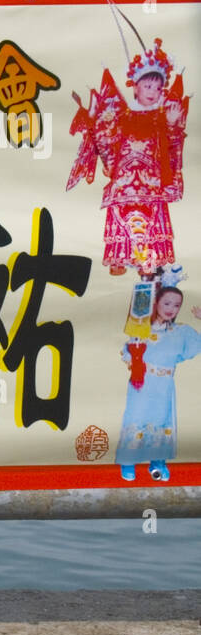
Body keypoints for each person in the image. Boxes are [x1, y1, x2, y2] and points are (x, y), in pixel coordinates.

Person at [67, 39, 188, 277]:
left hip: (152, 183)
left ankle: (149, 263)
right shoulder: (122, 113)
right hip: (123, 181)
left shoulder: (163, 116)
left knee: (150, 224)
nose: (153, 93)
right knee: (124, 221)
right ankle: (120, 259)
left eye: (157, 88)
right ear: (135, 87)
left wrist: (173, 125)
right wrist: (93, 118)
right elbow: (105, 137)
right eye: (148, 86)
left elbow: (172, 149)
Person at [116, 286, 201, 481]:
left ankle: (157, 463)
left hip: (164, 385)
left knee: (162, 421)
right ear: (156, 303)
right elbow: (127, 353)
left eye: (177, 305)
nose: (172, 308)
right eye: (167, 303)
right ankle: (128, 462)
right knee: (136, 418)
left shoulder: (182, 331)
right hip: (142, 382)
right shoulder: (140, 329)